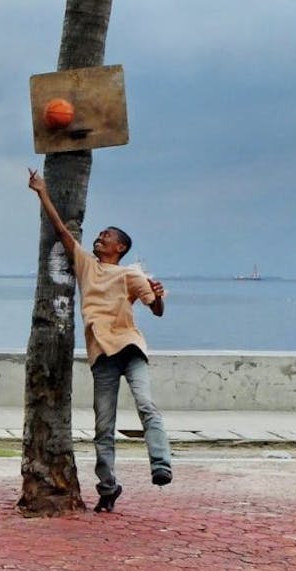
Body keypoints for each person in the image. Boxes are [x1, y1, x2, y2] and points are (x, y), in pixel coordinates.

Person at [28, 168, 172, 512]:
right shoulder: (87, 267)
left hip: (130, 347)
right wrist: (42, 191)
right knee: (102, 426)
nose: (99, 238)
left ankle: (161, 464)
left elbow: (157, 311)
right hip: (101, 355)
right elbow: (62, 231)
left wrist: (159, 296)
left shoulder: (130, 274)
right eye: (99, 234)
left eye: (106, 236)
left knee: (146, 405)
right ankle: (108, 487)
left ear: (119, 247)